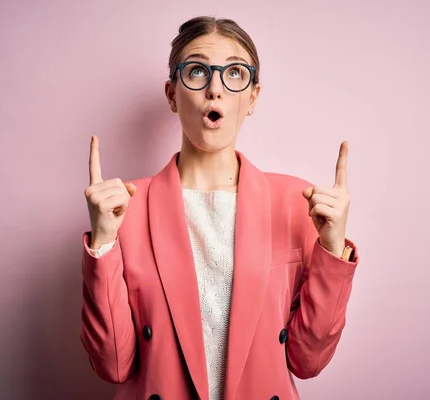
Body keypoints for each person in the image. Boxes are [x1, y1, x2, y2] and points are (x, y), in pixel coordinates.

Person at [80, 15, 359, 400]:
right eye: (197, 71)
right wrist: (104, 243)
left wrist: (332, 249)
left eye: (234, 73)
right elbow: (113, 364)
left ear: (253, 97)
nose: (215, 89)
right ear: (172, 94)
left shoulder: (298, 203)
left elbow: (307, 361)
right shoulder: (125, 208)